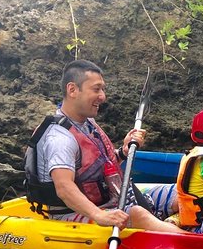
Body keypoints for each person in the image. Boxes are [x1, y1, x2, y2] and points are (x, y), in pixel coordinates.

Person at [24, 59, 185, 233]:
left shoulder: (87, 123)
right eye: (96, 89)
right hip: (73, 215)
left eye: (102, 89)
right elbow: (64, 188)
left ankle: (185, 225)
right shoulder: (60, 138)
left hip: (110, 200)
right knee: (138, 213)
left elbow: (99, 169)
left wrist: (123, 153)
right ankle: (194, 243)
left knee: (182, 191)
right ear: (72, 90)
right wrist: (100, 216)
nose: (102, 96)